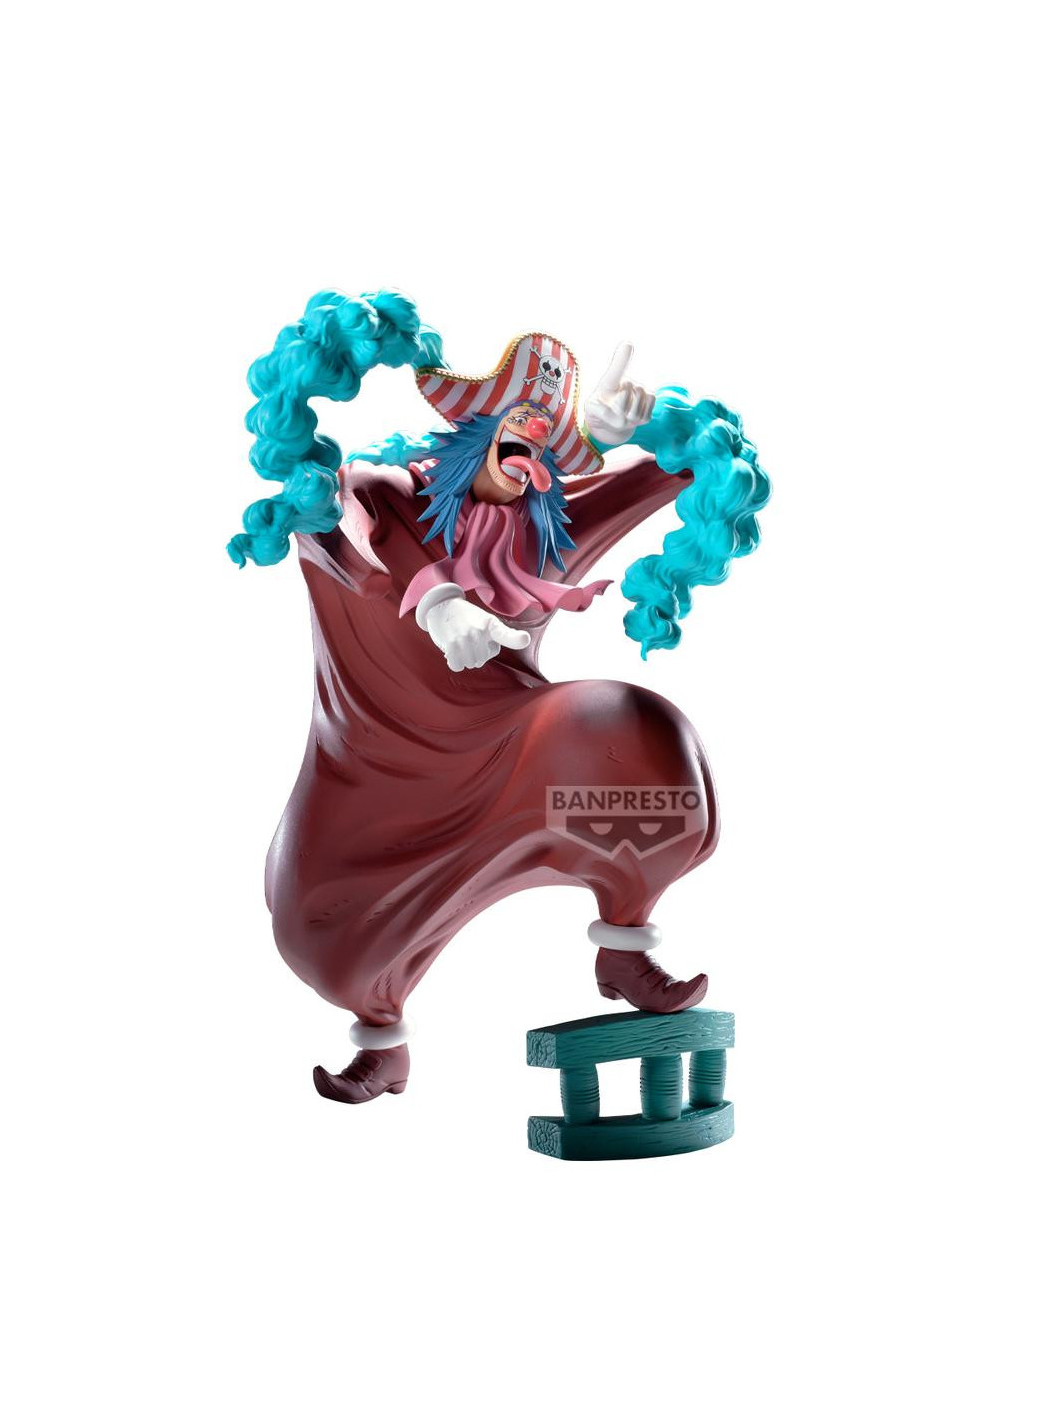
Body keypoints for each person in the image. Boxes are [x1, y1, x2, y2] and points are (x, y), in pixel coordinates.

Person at [229, 293, 767, 1104]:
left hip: (509, 749)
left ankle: (623, 947)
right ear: (472, 431)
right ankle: (383, 1042)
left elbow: (668, 476)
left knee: (638, 746)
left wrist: (659, 435)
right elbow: (355, 526)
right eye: (522, 431)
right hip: (375, 767)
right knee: (319, 930)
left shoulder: (539, 529)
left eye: (552, 444)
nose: (535, 454)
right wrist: (440, 598)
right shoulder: (385, 493)